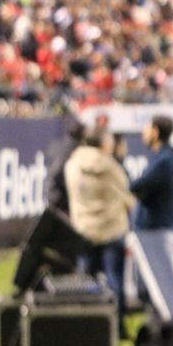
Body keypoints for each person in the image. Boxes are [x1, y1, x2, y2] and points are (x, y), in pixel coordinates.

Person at [64, 126, 134, 333]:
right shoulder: (111, 166)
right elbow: (127, 196)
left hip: (84, 228)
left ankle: (86, 324)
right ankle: (117, 325)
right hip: (111, 229)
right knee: (114, 281)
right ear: (104, 143)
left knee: (85, 280)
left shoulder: (73, 164)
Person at [129, 115, 173, 231]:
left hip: (156, 228)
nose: (143, 133)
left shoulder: (164, 160)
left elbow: (140, 185)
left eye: (147, 129)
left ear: (155, 132)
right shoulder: (163, 157)